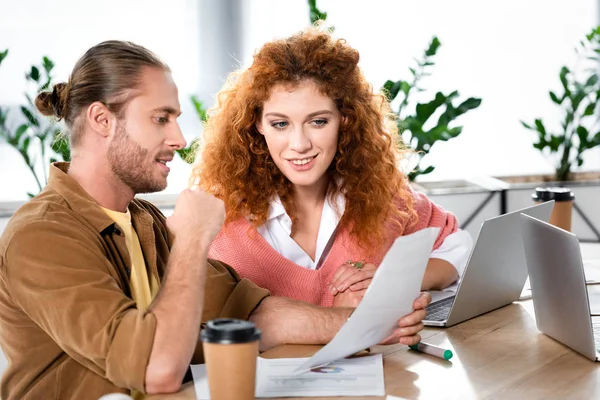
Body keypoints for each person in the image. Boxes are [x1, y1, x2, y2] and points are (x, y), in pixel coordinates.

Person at [0, 40, 430, 400]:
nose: (180, 139)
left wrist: (373, 322)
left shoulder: (142, 220)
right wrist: (192, 238)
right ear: (101, 120)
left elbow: (253, 316)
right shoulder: (42, 235)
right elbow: (157, 370)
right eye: (161, 118)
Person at [194, 26, 473, 308]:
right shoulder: (219, 216)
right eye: (280, 124)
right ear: (258, 125)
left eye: (318, 122)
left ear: (345, 119)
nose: (299, 144)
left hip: (379, 353)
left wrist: (393, 278)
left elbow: (456, 246)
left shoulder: (382, 198)